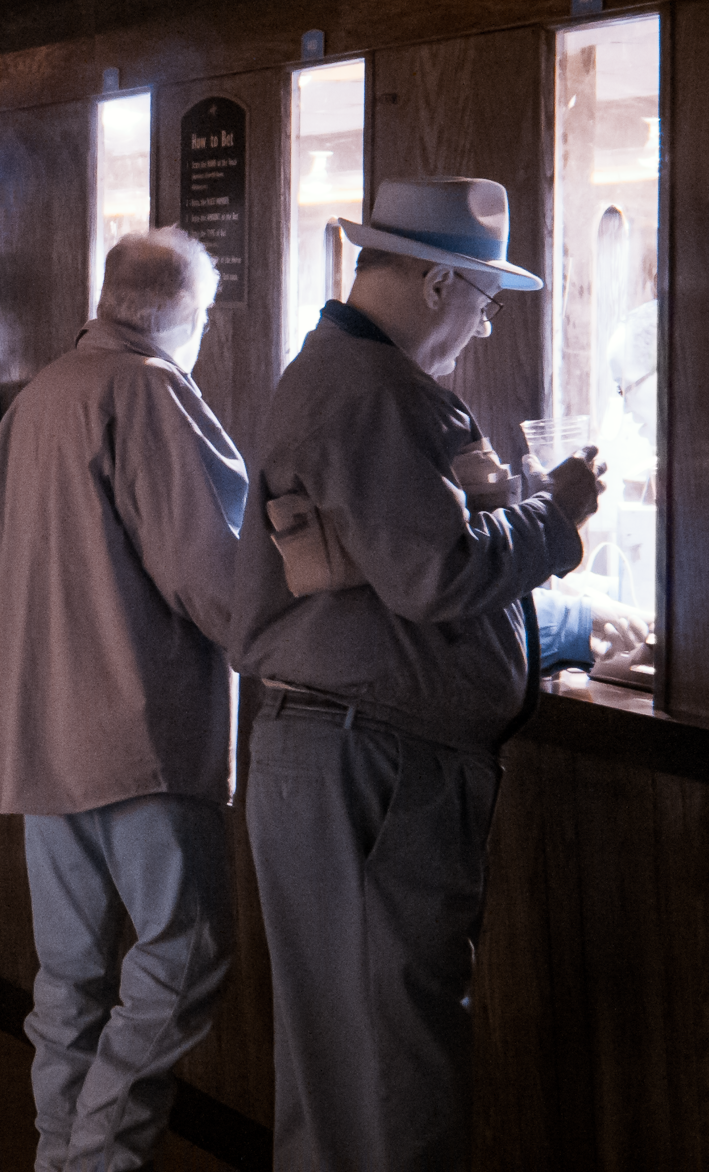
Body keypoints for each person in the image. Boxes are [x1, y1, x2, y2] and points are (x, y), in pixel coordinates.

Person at [233, 176, 603, 1171]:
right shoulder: (379, 391)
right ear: (439, 282)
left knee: (336, 1062)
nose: (483, 329)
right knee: (396, 1065)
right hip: (380, 765)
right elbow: (435, 574)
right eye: (484, 301)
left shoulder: (333, 375)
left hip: (337, 750)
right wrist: (558, 516)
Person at [0, 228, 244, 1170]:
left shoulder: (38, 395)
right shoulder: (150, 392)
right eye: (207, 316)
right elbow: (211, 576)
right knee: (186, 957)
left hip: (39, 724)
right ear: (184, 313)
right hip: (136, 726)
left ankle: (59, 1150)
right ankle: (96, 1161)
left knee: (71, 976)